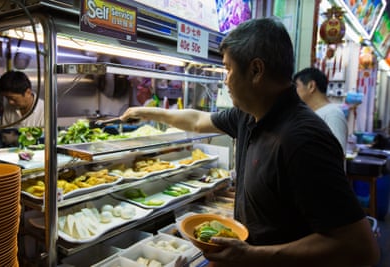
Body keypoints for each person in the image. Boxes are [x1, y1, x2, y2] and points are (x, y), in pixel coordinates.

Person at [121, 17, 379, 266]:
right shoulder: (249, 115)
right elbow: (197, 121)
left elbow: (359, 248)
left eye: (228, 68)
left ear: (256, 70)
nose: (225, 79)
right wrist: (145, 112)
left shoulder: (302, 140)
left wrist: (254, 256)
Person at [293, 67, 348, 153]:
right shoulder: (309, 113)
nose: (294, 91)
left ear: (311, 86)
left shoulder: (333, 114)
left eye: (296, 86)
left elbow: (336, 154)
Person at [0, 71, 44, 146]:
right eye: (7, 98)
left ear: (28, 92)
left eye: (13, 98)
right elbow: (3, 134)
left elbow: (44, 139)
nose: (10, 102)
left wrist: (16, 138)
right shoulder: (9, 107)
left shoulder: (44, 110)